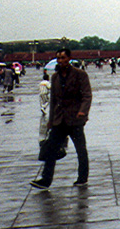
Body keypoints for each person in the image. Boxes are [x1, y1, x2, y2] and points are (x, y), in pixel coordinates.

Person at [30, 48, 92, 189]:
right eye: (58, 58)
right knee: (51, 149)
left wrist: (83, 112)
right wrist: (50, 121)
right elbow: (53, 101)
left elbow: (87, 95)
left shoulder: (80, 74)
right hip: (59, 120)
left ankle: (82, 178)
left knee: (81, 150)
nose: (60, 61)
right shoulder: (55, 77)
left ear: (69, 59)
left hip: (75, 119)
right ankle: (46, 180)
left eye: (63, 58)